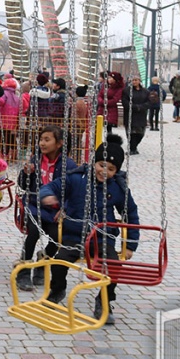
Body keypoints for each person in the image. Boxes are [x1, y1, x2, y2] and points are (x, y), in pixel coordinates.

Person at [38, 134, 139, 324]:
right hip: (74, 236)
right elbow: (51, 187)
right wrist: (47, 196)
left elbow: (131, 213)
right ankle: (57, 289)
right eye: (101, 165)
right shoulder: (76, 179)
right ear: (94, 163)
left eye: (111, 169)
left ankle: (104, 300)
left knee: (113, 265)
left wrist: (130, 245)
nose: (104, 171)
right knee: (59, 261)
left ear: (116, 171)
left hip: (102, 239)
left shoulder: (118, 188)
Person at [15, 125, 76, 291]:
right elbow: (23, 185)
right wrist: (26, 173)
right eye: (41, 139)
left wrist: (64, 208)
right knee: (33, 231)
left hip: (54, 211)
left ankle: (43, 261)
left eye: (47, 140)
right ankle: (24, 270)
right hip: (34, 207)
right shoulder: (35, 160)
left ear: (59, 143)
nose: (42, 143)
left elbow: (73, 191)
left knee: (58, 236)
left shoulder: (68, 165)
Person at [122, 75, 149, 155]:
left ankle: (134, 147)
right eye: (133, 80)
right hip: (130, 114)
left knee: (140, 133)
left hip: (141, 115)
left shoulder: (145, 91)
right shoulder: (127, 91)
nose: (134, 82)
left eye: (136, 80)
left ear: (139, 81)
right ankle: (132, 148)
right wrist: (134, 107)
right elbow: (125, 102)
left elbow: (148, 101)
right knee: (131, 133)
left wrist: (141, 107)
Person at [0, 77, 20, 160]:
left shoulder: (4, 93)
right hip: (12, 121)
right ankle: (13, 153)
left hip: (3, 120)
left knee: (2, 137)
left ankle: (3, 153)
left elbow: (1, 101)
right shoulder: (16, 97)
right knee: (10, 137)